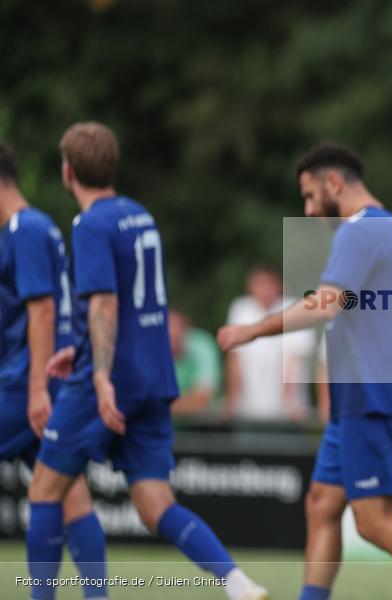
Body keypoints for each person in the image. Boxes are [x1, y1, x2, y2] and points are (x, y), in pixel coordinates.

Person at [27, 122, 268, 600]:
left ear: (67, 171)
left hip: (110, 377)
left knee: (45, 490)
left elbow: (106, 305)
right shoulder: (139, 214)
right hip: (153, 376)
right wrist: (77, 344)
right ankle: (235, 581)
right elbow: (134, 308)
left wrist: (96, 374)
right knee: (155, 503)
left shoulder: (89, 223)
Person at [217, 143, 392, 600]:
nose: (307, 209)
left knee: (375, 522)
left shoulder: (359, 231)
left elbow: (325, 304)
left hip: (368, 394)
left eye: (309, 196)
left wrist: (253, 330)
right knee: (322, 503)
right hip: (365, 398)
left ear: (334, 183)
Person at [0, 141, 108, 600]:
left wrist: (36, 391)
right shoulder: (32, 226)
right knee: (68, 493)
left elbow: (42, 311)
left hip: (27, 380)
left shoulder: (23, 228)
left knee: (64, 492)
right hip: (43, 377)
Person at [225, 266, 317, 423]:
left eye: (268, 284)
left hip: (288, 412)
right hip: (248, 408)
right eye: (259, 284)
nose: (264, 290)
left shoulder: (294, 308)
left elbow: (294, 358)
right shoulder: (241, 308)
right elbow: (234, 358)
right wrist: (232, 399)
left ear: (279, 285)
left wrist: (290, 401)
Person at [169, 308, 222, 420]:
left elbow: (202, 399)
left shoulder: (203, 346)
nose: (172, 344)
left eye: (176, 338)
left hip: (201, 425)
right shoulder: (147, 347)